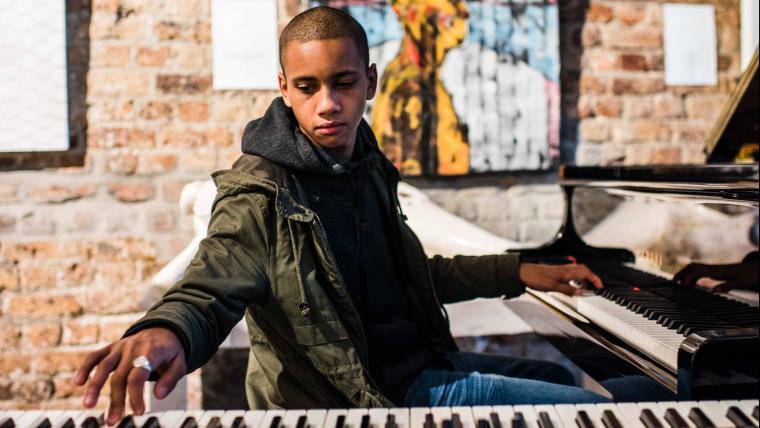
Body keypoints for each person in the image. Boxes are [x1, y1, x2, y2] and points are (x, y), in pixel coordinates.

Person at [76, 7, 637, 424]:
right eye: (307, 87)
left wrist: (518, 271)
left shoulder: (364, 163)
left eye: (343, 83)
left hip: (413, 368)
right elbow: (210, 286)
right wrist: (164, 327)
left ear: (369, 80)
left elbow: (413, 276)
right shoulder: (259, 192)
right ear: (283, 89)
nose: (328, 104)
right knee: (583, 410)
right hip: (357, 398)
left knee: (558, 377)